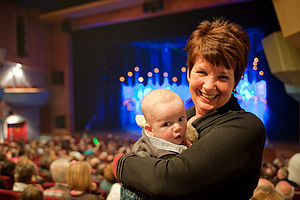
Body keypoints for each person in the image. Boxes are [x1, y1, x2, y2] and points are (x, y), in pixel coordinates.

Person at [113, 18, 266, 199]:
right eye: (202, 72)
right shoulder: (184, 116)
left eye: (222, 77)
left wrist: (119, 163)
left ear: (236, 80)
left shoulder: (245, 127)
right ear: (188, 72)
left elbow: (169, 180)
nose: (209, 86)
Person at [121, 88, 197, 199]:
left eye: (181, 119)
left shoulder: (177, 139)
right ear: (150, 130)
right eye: (166, 124)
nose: (178, 127)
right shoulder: (145, 149)